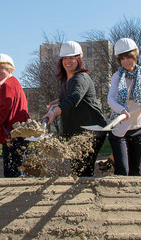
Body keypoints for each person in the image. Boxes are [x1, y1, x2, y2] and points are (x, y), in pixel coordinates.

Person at [42, 41, 107, 177]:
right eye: (65, 58)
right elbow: (69, 98)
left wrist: (54, 111)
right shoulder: (66, 80)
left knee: (83, 170)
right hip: (77, 131)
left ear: (79, 59)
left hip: (91, 130)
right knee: (77, 169)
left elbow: (74, 99)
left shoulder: (81, 78)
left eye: (72, 58)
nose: (68, 61)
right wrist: (57, 102)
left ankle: (87, 196)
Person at [107, 38, 141, 176]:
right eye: (122, 58)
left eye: (129, 57)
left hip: (138, 128)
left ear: (135, 56)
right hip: (120, 130)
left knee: (136, 171)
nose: (126, 61)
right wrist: (121, 110)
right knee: (122, 170)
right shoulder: (117, 76)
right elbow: (110, 99)